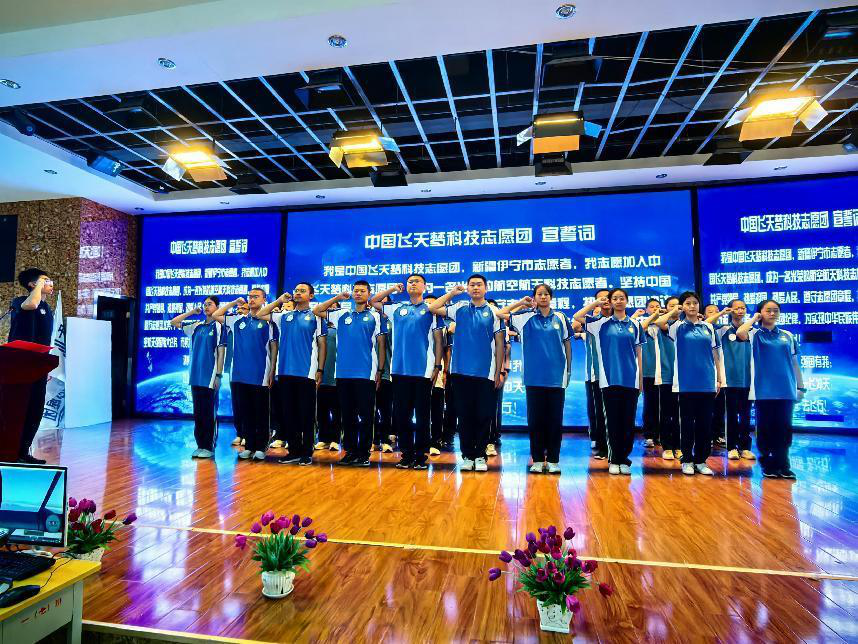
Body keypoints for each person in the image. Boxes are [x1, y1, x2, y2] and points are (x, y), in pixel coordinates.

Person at [428, 275, 505, 472]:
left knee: (483, 416)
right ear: (468, 288)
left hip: (485, 373)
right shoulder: (459, 308)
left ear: (486, 288)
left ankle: (480, 455)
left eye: (479, 285)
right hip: (460, 371)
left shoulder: (494, 312)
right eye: (472, 285)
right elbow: (433, 308)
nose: (475, 288)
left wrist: (498, 371)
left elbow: (499, 345)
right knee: (465, 416)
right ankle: (467, 455)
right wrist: (452, 293)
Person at [371, 275, 443, 469]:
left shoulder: (431, 310)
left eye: (417, 281)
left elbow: (438, 341)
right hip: (399, 369)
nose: (413, 284)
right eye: (410, 281)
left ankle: (420, 455)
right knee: (402, 415)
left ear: (425, 286)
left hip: (423, 371)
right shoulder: (397, 308)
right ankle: (406, 454)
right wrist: (392, 289)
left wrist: (437, 366)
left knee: (422, 416)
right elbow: (374, 301)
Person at [498, 284, 571, 474]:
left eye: (546, 294)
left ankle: (553, 460)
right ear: (534, 297)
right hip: (533, 377)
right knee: (536, 421)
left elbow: (567, 345)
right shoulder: (525, 317)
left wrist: (569, 369)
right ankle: (537, 459)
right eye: (539, 294)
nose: (543, 297)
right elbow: (500, 314)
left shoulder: (561, 317)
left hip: (556, 377)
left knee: (555, 420)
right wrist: (521, 303)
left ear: (551, 297)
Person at [313, 281, 387, 467]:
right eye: (356, 291)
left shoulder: (376, 316)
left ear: (369, 294)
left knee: (366, 416)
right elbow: (317, 310)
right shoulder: (341, 314)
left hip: (366, 373)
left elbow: (381, 345)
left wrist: (380, 370)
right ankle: (350, 452)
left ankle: (363, 453)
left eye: (362, 291)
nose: (358, 293)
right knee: (347, 416)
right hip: (343, 373)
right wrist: (338, 297)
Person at [574, 288, 643, 475]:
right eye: (615, 298)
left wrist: (640, 379)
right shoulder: (600, 324)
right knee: (612, 421)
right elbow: (577, 317)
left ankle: (624, 459)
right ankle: (614, 459)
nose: (619, 301)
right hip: (608, 380)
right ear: (610, 302)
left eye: (622, 298)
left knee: (628, 422)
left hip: (631, 379)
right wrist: (596, 303)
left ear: (627, 301)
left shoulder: (635, 324)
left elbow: (639, 353)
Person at [258, 283, 327, 466]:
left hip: (306, 372)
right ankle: (294, 451)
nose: (297, 293)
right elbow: (261, 314)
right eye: (296, 290)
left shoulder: (316, 316)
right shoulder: (284, 316)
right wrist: (279, 301)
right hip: (285, 371)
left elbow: (322, 345)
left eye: (302, 291)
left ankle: (307, 452)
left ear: (311, 296)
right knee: (289, 414)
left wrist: (320, 369)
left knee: (306, 414)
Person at [657, 291, 724, 476]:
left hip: (707, 382)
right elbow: (660, 322)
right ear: (683, 306)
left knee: (705, 424)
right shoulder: (677, 327)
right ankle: (687, 459)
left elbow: (716, 354)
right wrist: (675, 311)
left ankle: (701, 460)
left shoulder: (708, 327)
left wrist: (719, 379)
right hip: (685, 383)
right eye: (688, 303)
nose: (692, 306)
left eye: (695, 302)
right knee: (687, 423)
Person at [736, 300, 804, 479]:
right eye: (768, 310)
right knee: (766, 428)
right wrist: (754, 318)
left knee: (784, 428)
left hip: (786, 389)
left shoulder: (787, 335)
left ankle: (784, 464)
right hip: (763, 390)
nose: (773, 314)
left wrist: (801, 387)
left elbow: (794, 363)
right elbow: (740, 333)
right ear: (760, 313)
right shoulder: (755, 333)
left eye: (776, 310)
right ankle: (768, 464)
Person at [213, 289, 278, 462]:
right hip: (239, 374)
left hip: (260, 374)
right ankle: (249, 446)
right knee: (245, 412)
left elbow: (273, 347)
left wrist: (272, 370)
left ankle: (261, 447)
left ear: (264, 299)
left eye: (256, 297)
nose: (252, 299)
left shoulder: (269, 321)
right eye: (250, 297)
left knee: (260, 413)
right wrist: (235, 303)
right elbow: (217, 314)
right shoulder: (237, 320)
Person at [7, 269, 55, 464]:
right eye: (45, 280)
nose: (50, 283)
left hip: (38, 366)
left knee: (35, 409)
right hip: (19, 365)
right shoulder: (20, 301)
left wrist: (46, 367)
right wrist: (39, 285)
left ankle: (23, 451)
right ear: (32, 285)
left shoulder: (47, 309)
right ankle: (9, 451)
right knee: (18, 408)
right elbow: (32, 304)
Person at [170, 296, 225, 459]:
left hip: (210, 376)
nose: (206, 307)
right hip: (195, 375)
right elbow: (174, 322)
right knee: (198, 413)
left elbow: (221, 351)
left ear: (217, 307)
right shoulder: (196, 326)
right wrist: (192, 312)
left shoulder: (220, 326)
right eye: (205, 304)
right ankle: (200, 445)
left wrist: (219, 374)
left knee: (209, 413)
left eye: (210, 304)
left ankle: (209, 446)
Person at [708, 300, 755, 461]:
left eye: (743, 308)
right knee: (732, 415)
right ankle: (732, 447)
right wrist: (722, 313)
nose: (740, 311)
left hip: (748, 379)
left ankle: (745, 447)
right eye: (736, 308)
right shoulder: (722, 330)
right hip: (729, 380)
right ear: (730, 310)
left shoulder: (752, 331)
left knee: (746, 415)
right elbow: (706, 324)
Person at [580, 289, 611, 460]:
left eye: (608, 298)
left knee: (614, 413)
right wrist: (595, 305)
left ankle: (615, 449)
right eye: (601, 298)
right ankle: (601, 444)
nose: (605, 301)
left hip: (616, 375)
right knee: (598, 411)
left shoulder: (620, 321)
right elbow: (577, 319)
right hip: (596, 374)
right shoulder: (593, 322)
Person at [656, 296, 680, 460]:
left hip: (683, 377)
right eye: (672, 306)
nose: (676, 308)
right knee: (666, 413)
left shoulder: (684, 325)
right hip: (666, 375)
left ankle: (678, 446)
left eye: (678, 305)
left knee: (680, 414)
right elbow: (660, 322)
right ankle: (667, 446)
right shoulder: (665, 325)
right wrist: (671, 312)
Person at [486, 298, 510, 458]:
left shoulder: (501, 329)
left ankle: (491, 438)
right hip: (478, 373)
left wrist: (502, 372)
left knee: (493, 407)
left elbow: (505, 350)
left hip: (496, 372)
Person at [315, 302, 341, 451]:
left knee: (337, 411)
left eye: (334, 308)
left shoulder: (342, 328)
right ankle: (323, 438)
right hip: (321, 376)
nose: (330, 310)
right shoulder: (319, 328)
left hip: (337, 377)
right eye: (328, 308)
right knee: (322, 410)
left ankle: (336, 439)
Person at [639, 299, 663, 449]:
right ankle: (649, 435)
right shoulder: (643, 324)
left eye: (657, 307)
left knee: (664, 405)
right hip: (649, 371)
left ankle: (661, 434)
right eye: (652, 307)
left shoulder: (664, 324)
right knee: (650, 404)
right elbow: (641, 328)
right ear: (647, 310)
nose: (655, 309)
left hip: (665, 371)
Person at [704, 303, 728, 450]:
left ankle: (718, 434)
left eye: (716, 311)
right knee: (706, 408)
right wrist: (721, 313)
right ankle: (706, 435)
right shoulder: (702, 327)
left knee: (719, 407)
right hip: (705, 372)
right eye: (710, 312)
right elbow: (707, 322)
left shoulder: (723, 329)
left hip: (720, 371)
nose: (714, 314)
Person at [225, 299, 249, 447]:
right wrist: (234, 303)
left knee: (248, 404)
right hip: (234, 370)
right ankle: (239, 433)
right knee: (237, 403)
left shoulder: (253, 324)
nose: (239, 312)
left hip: (250, 371)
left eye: (243, 309)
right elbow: (217, 314)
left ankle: (248, 434)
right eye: (238, 310)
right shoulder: (233, 325)